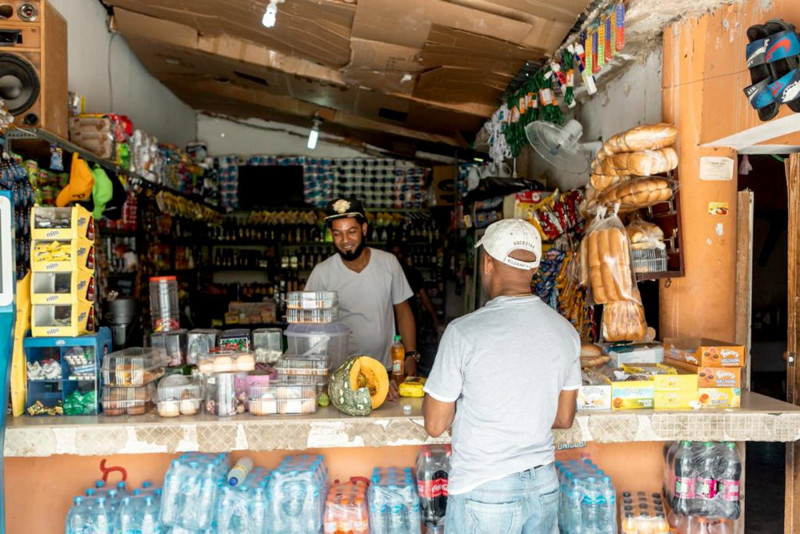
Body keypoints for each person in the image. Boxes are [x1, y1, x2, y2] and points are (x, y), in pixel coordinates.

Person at [422, 218, 581, 534]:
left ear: (488, 263)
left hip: (485, 488)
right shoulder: (565, 332)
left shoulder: (463, 333)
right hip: (544, 486)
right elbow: (564, 417)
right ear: (534, 268)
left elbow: (435, 424)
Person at [305, 198, 420, 381]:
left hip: (385, 369)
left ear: (364, 229)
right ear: (331, 234)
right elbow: (307, 324)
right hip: (341, 373)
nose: (345, 241)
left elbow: (403, 311)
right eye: (338, 233)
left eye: (351, 232)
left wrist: (411, 354)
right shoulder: (322, 273)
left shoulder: (388, 263)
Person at [388, 240, 444, 336]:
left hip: (409, 317)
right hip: (388, 320)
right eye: (393, 253)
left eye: (399, 253)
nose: (396, 257)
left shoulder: (413, 273)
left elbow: (424, 297)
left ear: (404, 254)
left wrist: (435, 318)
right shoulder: (384, 273)